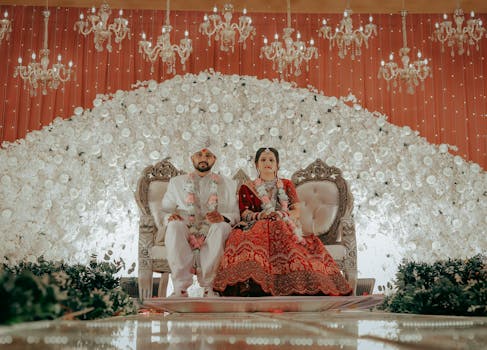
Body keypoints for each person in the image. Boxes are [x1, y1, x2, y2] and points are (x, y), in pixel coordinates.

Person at [212, 147, 352, 296]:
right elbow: (244, 213)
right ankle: (254, 282)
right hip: (256, 225)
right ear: (256, 164)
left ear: (277, 165)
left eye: (271, 160)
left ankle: (287, 284)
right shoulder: (247, 187)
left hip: (285, 224)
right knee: (250, 232)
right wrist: (262, 216)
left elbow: (296, 211)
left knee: (278, 224)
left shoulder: (286, 184)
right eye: (263, 160)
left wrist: (281, 214)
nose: (267, 163)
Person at [161, 133, 239, 297]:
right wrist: (170, 217)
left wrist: (222, 217)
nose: (203, 158)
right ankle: (180, 288)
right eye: (199, 154)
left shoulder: (228, 184)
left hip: (211, 229)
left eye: (208, 155)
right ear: (192, 158)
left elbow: (235, 215)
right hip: (186, 227)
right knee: (174, 225)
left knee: (221, 226)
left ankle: (210, 287)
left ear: (214, 159)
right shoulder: (176, 183)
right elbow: (165, 210)